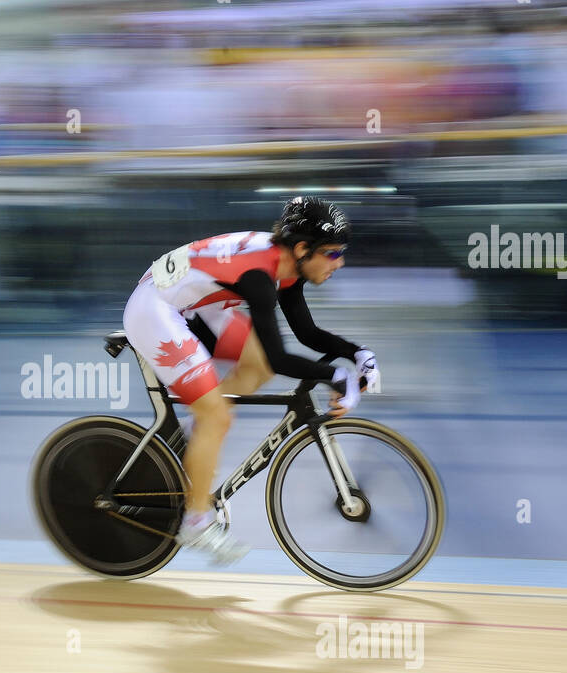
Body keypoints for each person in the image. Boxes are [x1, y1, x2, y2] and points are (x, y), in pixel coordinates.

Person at [122, 196, 381, 565]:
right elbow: (283, 355)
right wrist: (334, 375)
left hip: (195, 302)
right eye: (334, 253)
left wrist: (358, 353)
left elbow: (305, 333)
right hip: (155, 309)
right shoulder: (260, 275)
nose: (340, 262)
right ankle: (195, 521)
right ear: (304, 248)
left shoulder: (287, 262)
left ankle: (200, 428)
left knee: (258, 367)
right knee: (220, 415)